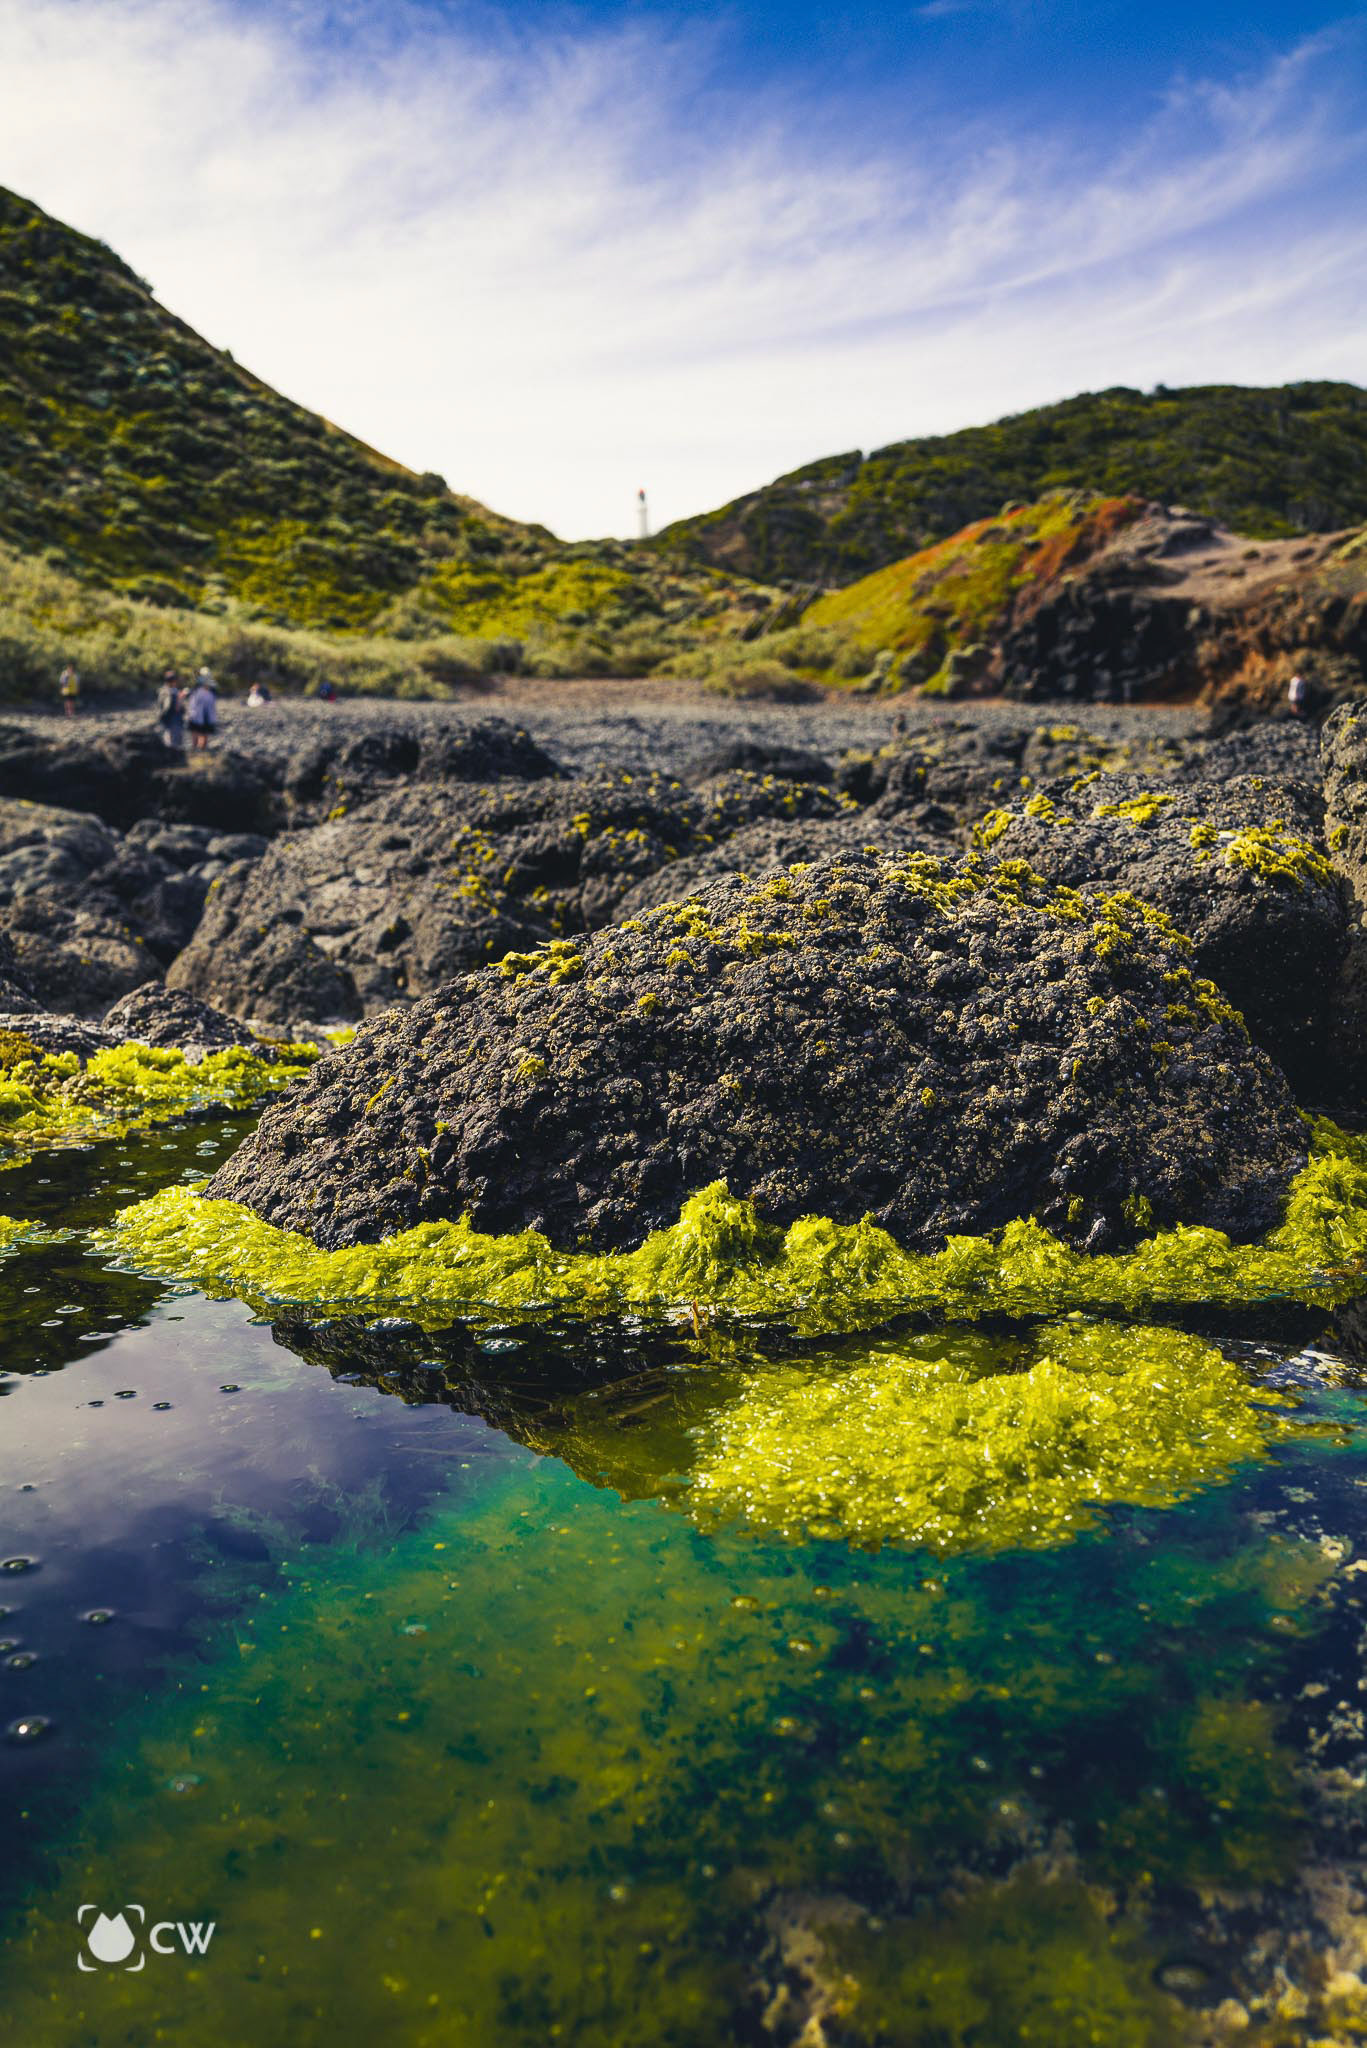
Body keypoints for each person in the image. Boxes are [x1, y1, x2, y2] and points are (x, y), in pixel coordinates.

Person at [185, 671, 218, 751]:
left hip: (205, 717)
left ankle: (201, 750)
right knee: (196, 734)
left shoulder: (209, 693)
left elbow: (211, 707)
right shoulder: (197, 692)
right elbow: (193, 705)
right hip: (196, 716)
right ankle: (195, 750)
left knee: (204, 735)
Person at [157, 670, 185, 750]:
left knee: (169, 738)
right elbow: (175, 707)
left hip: (168, 719)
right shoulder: (171, 692)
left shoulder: (163, 690)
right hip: (174, 719)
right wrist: (181, 698)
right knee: (174, 742)